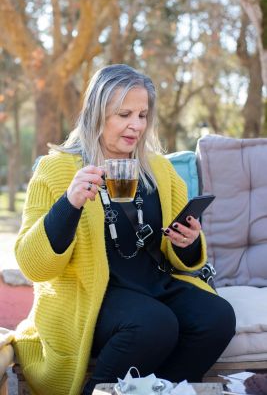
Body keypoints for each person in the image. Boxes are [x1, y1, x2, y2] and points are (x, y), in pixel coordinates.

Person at [14, 64, 236, 395]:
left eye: (142, 115)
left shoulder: (158, 170)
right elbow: (33, 265)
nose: (136, 125)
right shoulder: (57, 169)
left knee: (216, 316)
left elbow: (181, 256)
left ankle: (162, 389)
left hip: (152, 284)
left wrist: (187, 242)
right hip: (90, 295)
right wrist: (69, 203)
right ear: (96, 114)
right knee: (154, 324)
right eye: (124, 114)